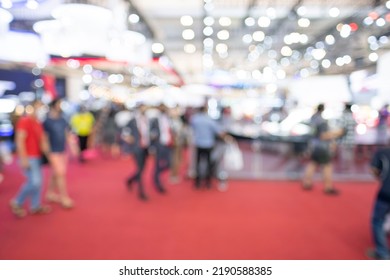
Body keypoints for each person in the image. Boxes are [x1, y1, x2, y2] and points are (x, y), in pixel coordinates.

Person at [9, 100, 51, 218]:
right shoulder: (24, 121)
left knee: (39, 182)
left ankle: (35, 205)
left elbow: (42, 141)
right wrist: (23, 158)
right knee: (34, 182)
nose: (40, 109)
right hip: (29, 156)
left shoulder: (37, 123)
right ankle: (17, 201)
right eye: (38, 107)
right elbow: (20, 140)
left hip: (37, 156)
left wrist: (48, 155)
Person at [302, 104, 344, 195]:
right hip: (322, 147)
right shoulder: (322, 121)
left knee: (313, 163)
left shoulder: (313, 118)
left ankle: (307, 182)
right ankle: (328, 187)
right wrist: (336, 133)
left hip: (314, 145)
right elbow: (323, 135)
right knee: (327, 166)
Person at [43, 98, 74, 209]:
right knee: (60, 173)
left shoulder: (62, 120)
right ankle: (64, 197)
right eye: (59, 104)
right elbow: (45, 139)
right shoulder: (47, 121)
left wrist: (72, 147)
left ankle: (50, 193)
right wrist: (47, 154)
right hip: (53, 152)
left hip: (62, 150)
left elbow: (67, 134)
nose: (60, 106)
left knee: (56, 173)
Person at [190, 105, 226, 188]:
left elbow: (192, 128)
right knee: (209, 163)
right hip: (208, 144)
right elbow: (219, 132)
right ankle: (208, 182)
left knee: (198, 163)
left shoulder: (195, 119)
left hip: (198, 144)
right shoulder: (209, 120)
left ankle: (197, 182)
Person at [122, 104, 150, 201]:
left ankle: (130, 180)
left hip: (146, 148)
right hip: (137, 148)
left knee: (142, 169)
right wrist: (129, 139)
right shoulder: (133, 121)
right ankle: (141, 192)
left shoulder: (147, 120)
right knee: (140, 170)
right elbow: (124, 132)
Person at [150, 104, 174, 193]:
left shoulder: (169, 119)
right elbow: (152, 133)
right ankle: (157, 181)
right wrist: (152, 146)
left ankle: (157, 175)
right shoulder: (155, 120)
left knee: (169, 164)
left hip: (167, 144)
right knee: (157, 164)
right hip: (159, 145)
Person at [339, 103, 357, 169]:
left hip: (344, 139)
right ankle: (349, 168)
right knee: (350, 155)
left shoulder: (344, 116)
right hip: (352, 139)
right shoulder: (352, 116)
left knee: (344, 155)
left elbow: (341, 129)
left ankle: (345, 168)